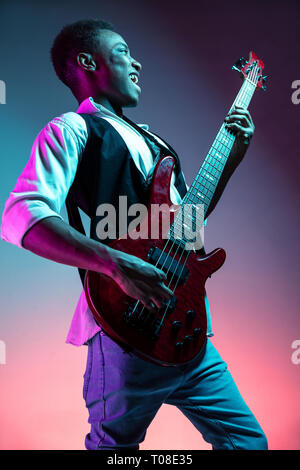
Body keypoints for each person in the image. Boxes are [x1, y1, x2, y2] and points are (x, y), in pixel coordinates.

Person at [0, 19, 268, 450]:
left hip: (188, 332)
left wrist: (231, 158)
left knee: (247, 443)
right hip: (126, 331)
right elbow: (18, 215)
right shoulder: (72, 128)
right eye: (124, 51)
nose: (137, 62)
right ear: (88, 61)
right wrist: (113, 263)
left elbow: (186, 227)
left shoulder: (153, 140)